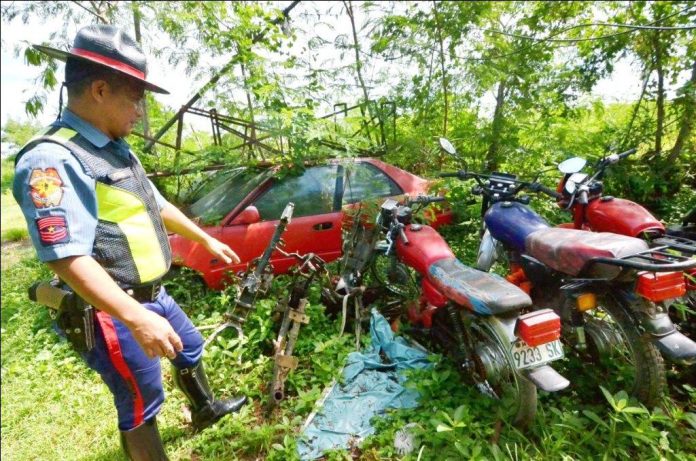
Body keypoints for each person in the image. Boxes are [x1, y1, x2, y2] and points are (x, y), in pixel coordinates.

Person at [13, 24, 247, 460]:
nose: (140, 110)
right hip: (113, 309)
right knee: (142, 400)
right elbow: (66, 257)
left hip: (156, 294)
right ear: (100, 90)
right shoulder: (54, 159)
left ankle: (206, 410)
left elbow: (155, 204)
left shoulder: (115, 148)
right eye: (135, 97)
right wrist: (135, 318)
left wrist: (206, 240)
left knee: (190, 348)